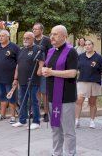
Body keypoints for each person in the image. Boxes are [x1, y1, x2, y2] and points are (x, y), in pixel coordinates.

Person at [42, 25, 78, 156]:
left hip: (66, 97)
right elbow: (47, 68)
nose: (52, 36)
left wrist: (51, 72)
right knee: (55, 128)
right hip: (52, 96)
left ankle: (70, 153)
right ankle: (56, 153)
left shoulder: (71, 51)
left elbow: (73, 73)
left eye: (55, 34)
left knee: (68, 130)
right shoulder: (51, 51)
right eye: (51, 34)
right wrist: (45, 71)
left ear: (64, 36)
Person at [12, 32, 44, 130]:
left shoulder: (37, 49)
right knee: (22, 100)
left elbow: (41, 61)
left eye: (28, 38)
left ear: (33, 39)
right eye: (24, 38)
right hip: (22, 80)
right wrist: (15, 78)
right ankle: (22, 120)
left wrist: (39, 70)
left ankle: (36, 121)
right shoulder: (22, 50)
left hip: (33, 80)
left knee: (34, 100)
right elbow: (18, 65)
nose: (25, 40)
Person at [75, 40, 102, 128]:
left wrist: (95, 73)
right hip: (82, 81)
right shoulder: (80, 56)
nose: (87, 46)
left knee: (92, 103)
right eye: (86, 45)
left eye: (89, 44)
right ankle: (77, 120)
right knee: (79, 101)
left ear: (93, 45)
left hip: (94, 82)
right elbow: (76, 68)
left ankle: (92, 121)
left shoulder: (99, 57)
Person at [0, 30, 20, 123]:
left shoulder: (14, 47)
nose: (0, 37)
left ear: (8, 37)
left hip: (10, 78)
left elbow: (19, 63)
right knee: (2, 96)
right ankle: (2, 115)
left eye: (3, 36)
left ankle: (13, 116)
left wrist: (16, 78)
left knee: (11, 97)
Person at [33, 22, 52, 122]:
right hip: (33, 70)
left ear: (41, 30)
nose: (34, 30)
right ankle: (36, 113)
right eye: (33, 29)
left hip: (44, 69)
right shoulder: (32, 40)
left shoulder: (47, 40)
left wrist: (46, 67)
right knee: (36, 92)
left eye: (36, 29)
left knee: (45, 92)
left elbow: (51, 54)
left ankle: (46, 113)